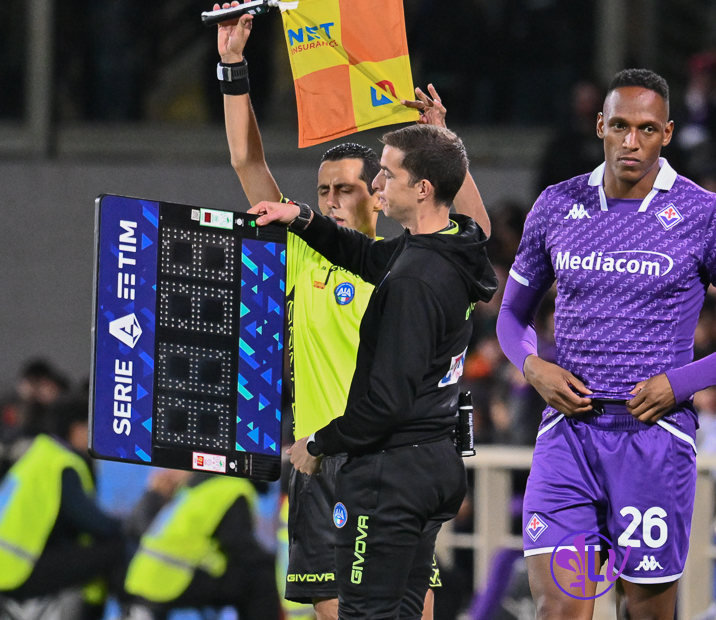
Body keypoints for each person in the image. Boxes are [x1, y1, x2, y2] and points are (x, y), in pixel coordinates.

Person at [213, 4, 489, 618]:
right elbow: (247, 162)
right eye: (323, 192)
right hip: (323, 462)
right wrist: (233, 62)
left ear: (383, 190)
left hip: (389, 458)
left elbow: (475, 229)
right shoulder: (306, 252)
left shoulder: (408, 261)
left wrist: (441, 146)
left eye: (347, 189)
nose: (331, 202)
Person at [496, 68, 716, 620]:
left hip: (654, 440)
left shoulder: (705, 215)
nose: (632, 141)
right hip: (568, 438)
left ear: (667, 133)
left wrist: (680, 382)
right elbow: (511, 313)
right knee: (559, 609)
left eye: (647, 129)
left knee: (644, 614)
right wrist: (532, 366)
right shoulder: (557, 205)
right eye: (620, 125)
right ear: (599, 124)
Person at [251, 123, 497, 620]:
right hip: (434, 462)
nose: (378, 184)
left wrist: (318, 444)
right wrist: (300, 216)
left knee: (365, 615)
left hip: (391, 473)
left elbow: (387, 403)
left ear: (422, 188)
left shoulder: (413, 284)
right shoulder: (451, 245)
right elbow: (364, 254)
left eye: (387, 173)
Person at [0, 395, 124, 618]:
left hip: (9, 564)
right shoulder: (62, 463)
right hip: (17, 570)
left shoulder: (41, 453)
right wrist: (129, 526)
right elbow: (92, 522)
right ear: (76, 429)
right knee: (117, 547)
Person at [124, 473, 279, 620]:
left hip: (145, 577)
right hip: (174, 578)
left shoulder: (202, 485)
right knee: (261, 578)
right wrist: (276, 561)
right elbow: (238, 545)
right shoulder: (234, 488)